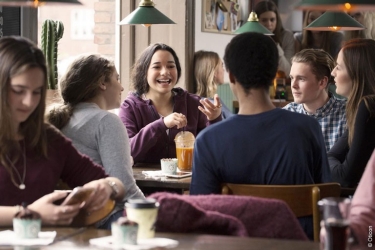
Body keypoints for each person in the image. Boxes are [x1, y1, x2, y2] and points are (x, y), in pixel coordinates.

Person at [189, 32, 331, 240]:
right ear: (275, 73)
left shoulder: (207, 142)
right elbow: (326, 199)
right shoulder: (308, 129)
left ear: (231, 77)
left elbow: (201, 219)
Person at [0, 36, 125, 227]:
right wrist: (29, 214)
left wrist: (108, 187)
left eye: (36, 92)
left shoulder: (49, 139)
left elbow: (115, 183)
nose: (28, 102)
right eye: (19, 90)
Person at [46, 54, 145, 228]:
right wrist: (153, 214)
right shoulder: (106, 121)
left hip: (68, 219)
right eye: (117, 78)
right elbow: (125, 187)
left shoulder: (63, 119)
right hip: (106, 218)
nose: (122, 88)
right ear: (102, 83)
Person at [118, 43, 222, 164]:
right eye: (157, 67)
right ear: (144, 71)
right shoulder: (130, 107)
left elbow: (214, 151)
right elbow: (127, 151)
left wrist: (215, 120)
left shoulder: (194, 103)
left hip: (187, 181)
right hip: (144, 182)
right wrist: (162, 124)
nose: (165, 72)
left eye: (171, 66)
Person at [328, 38, 375, 188]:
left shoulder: (368, 106)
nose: (332, 72)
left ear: (358, 72)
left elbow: (345, 178)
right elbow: (331, 156)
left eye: (339, 67)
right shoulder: (359, 108)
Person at [284, 49, 346, 152]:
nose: (293, 85)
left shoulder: (346, 115)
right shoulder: (286, 115)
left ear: (322, 82)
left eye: (301, 79)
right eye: (291, 78)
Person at [254, 0, 295, 75]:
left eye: (272, 20)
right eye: (264, 20)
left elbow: (288, 72)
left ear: (277, 20)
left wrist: (274, 45)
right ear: (257, 21)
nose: (269, 24)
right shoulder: (251, 37)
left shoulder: (286, 36)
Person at [193, 50, 233, 119]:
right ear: (214, 71)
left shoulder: (213, 100)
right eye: (221, 66)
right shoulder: (209, 105)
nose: (224, 70)